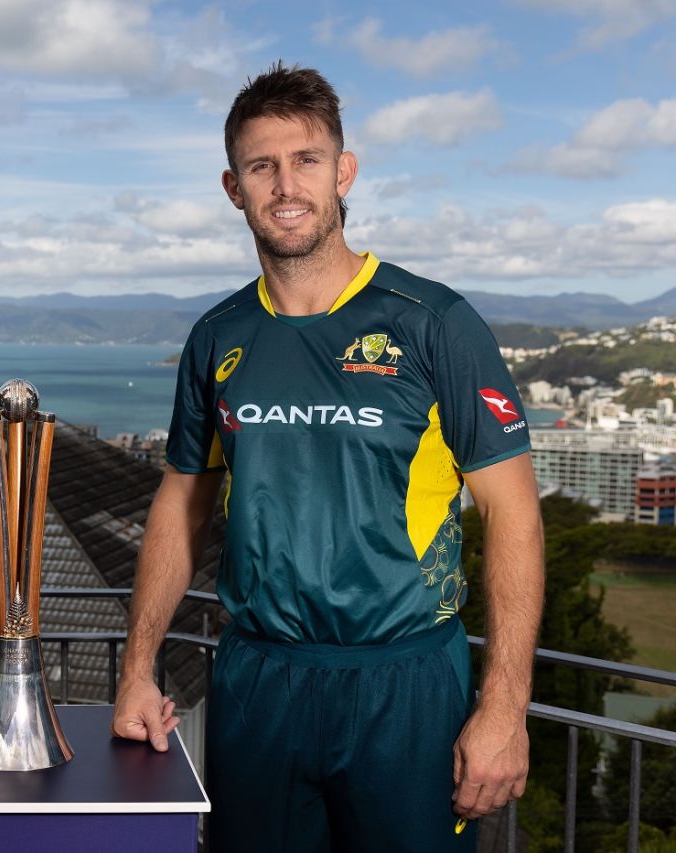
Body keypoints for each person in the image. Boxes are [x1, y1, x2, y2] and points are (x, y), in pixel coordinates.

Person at [110, 63, 544, 852]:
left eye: (306, 159)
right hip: (258, 679)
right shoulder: (218, 336)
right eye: (261, 165)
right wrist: (137, 667)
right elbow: (180, 502)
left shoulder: (434, 323)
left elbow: (514, 515)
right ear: (232, 187)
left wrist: (504, 706)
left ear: (344, 171)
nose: (285, 184)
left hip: (406, 681)